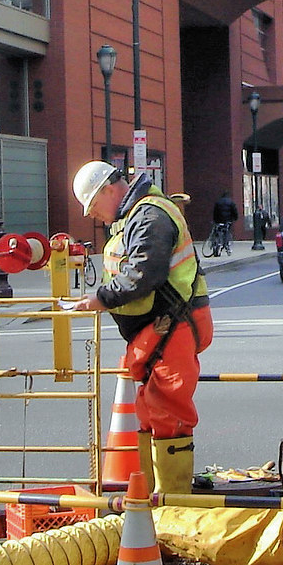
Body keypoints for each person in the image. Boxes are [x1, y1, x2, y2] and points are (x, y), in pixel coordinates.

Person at [71, 162, 213, 494]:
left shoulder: (150, 215)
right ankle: (157, 499)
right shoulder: (138, 216)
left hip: (172, 325)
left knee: (168, 410)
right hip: (159, 328)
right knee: (152, 409)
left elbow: (144, 273)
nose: (93, 216)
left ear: (109, 190)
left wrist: (101, 298)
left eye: (93, 206)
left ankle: (172, 504)